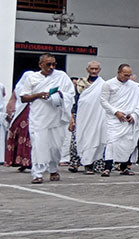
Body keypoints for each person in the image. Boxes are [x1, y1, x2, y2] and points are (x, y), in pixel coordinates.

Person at [18, 54, 74, 184]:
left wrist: (60, 94)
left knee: (55, 147)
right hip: (39, 118)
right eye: (48, 64)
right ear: (40, 65)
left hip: (57, 119)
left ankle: (53, 170)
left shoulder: (61, 76)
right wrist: (38, 95)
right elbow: (23, 98)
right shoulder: (32, 78)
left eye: (54, 64)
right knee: (39, 146)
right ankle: (37, 174)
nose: (51, 67)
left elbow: (71, 94)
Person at [99, 63, 139, 176]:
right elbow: (103, 101)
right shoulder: (108, 84)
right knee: (111, 142)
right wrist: (116, 112)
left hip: (128, 120)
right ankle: (107, 167)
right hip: (114, 119)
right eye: (125, 75)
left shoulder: (135, 86)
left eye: (129, 75)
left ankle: (124, 167)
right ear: (118, 72)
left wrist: (134, 115)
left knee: (127, 143)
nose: (128, 77)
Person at [68, 61, 105, 174]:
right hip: (81, 116)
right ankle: (75, 163)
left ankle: (90, 164)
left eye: (96, 69)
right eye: (91, 69)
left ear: (99, 70)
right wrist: (72, 117)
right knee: (77, 139)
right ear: (87, 70)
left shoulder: (103, 85)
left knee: (95, 140)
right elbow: (75, 101)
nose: (94, 71)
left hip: (97, 117)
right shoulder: (80, 84)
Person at [5, 72, 32, 170]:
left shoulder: (22, 88)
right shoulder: (20, 89)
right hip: (21, 116)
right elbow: (12, 102)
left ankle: (26, 162)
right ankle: (22, 162)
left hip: (25, 116)